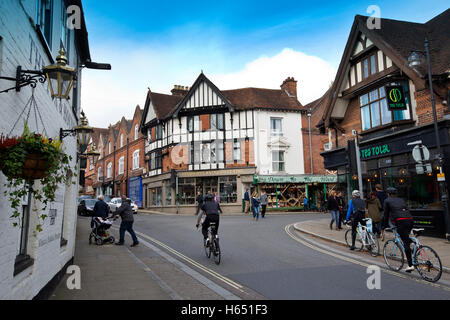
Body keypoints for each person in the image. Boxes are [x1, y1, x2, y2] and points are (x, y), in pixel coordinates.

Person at [382, 187, 415, 273]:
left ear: (388, 194)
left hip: (401, 221)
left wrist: (384, 226)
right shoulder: (401, 199)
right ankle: (414, 247)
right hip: (410, 220)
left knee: (405, 243)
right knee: (406, 237)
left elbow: (385, 214)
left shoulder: (387, 200)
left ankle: (410, 265)